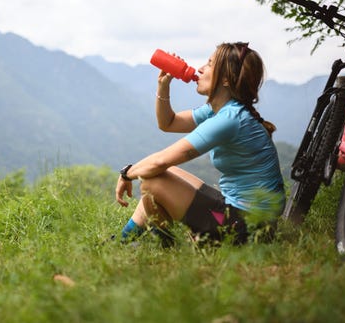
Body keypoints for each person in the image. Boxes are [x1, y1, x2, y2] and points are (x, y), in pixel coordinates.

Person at [115, 42, 284, 245]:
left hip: (248, 228)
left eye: (210, 64)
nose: (201, 69)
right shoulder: (221, 110)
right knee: (162, 174)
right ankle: (124, 240)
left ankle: (166, 246)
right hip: (242, 214)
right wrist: (163, 85)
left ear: (225, 79)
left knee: (152, 181)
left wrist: (127, 173)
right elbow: (168, 123)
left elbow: (159, 162)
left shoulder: (229, 119)